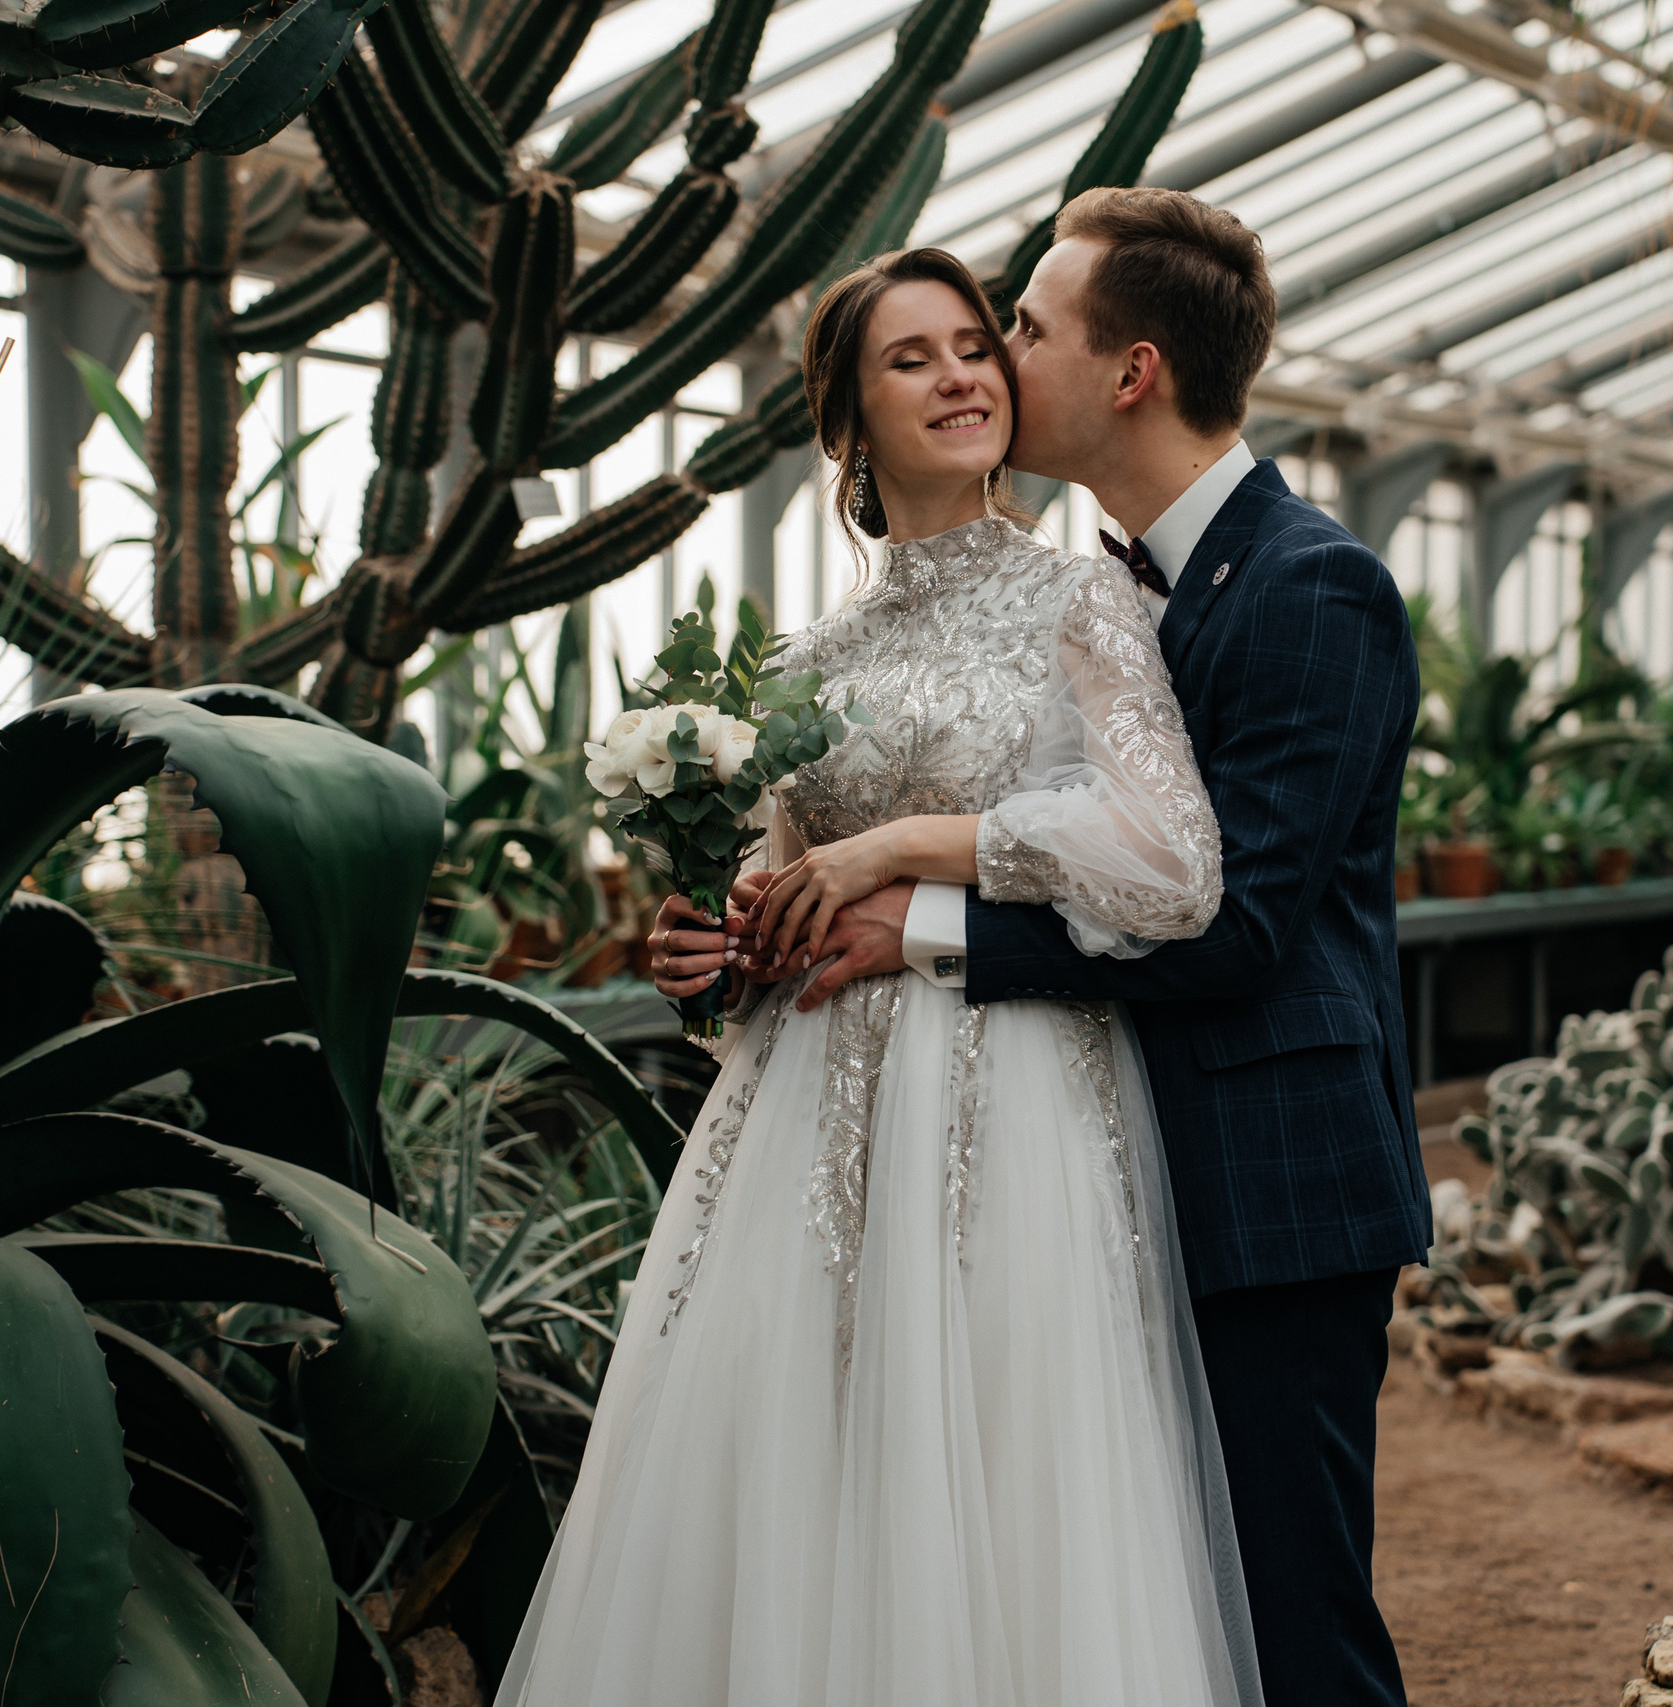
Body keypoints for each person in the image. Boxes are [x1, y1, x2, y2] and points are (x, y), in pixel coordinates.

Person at [494, 246, 1260, 1706]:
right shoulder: (803, 661)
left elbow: (1172, 865)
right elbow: (780, 901)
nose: (963, 376)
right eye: (913, 359)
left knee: (1005, 1477)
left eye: (975, 345)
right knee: (803, 1473)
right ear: (847, 419)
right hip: (806, 1127)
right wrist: (707, 953)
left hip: (1017, 1108)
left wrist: (907, 849)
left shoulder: (1084, 602)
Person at [743, 189, 1430, 1706]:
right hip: (1096, 1161)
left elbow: (1236, 922)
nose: (996, 359)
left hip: (1272, 1179)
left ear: (1131, 373)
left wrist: (919, 913)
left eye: (1024, 329)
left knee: (1293, 1622)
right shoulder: (1119, 581)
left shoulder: (1311, 584)